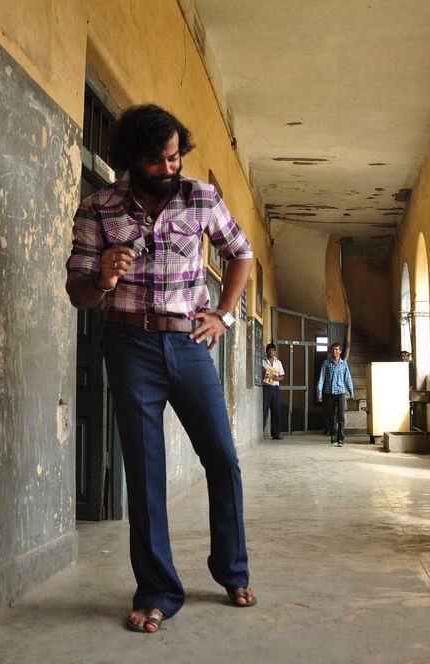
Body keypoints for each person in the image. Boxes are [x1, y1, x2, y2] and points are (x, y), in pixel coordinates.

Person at [65, 104, 256, 634]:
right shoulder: (98, 209)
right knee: (145, 472)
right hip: (129, 344)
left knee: (222, 459)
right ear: (132, 158)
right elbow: (78, 292)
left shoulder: (201, 197)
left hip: (189, 343)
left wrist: (223, 315)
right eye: (158, 161)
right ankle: (157, 590)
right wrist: (102, 278)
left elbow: (241, 253)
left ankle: (232, 570)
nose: (170, 168)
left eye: (175, 157)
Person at [316, 343, 354, 446]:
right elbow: (321, 378)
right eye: (333, 349)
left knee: (341, 417)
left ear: (340, 351)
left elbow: (348, 379)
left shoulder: (344, 364)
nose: (334, 351)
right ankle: (333, 437)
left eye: (337, 349)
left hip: (341, 393)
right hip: (328, 393)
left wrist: (351, 392)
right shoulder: (326, 363)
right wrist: (319, 392)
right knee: (331, 417)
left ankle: (340, 439)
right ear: (331, 351)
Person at [262, 343, 285, 439]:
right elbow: (257, 374)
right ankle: (260, 432)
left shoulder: (278, 363)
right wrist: (264, 375)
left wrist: (277, 378)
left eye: (272, 350)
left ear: (275, 351)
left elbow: (282, 376)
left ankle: (276, 433)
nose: (271, 352)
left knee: (276, 411)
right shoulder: (262, 362)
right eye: (269, 350)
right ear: (266, 351)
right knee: (263, 411)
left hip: (275, 389)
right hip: (266, 388)